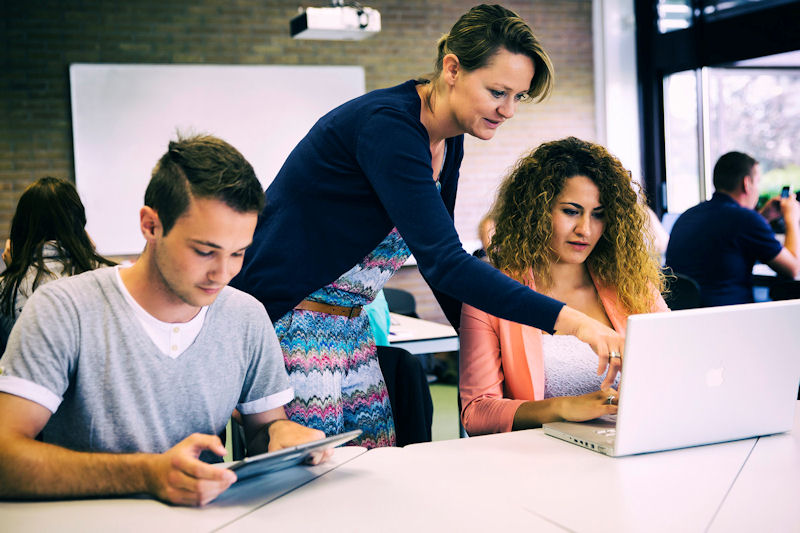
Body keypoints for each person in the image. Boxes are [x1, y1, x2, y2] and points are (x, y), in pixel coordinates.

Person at [231, 4, 625, 449]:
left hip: (351, 329)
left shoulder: (449, 142)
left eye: (519, 96)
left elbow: (439, 257)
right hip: (289, 325)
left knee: (370, 472)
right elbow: (446, 263)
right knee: (307, 483)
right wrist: (569, 322)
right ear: (452, 69)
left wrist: (487, 351)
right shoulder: (390, 127)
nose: (509, 109)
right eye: (498, 91)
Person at [0, 135, 326, 506]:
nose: (223, 273)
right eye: (205, 251)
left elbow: (264, 429)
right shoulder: (64, 309)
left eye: (238, 253)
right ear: (151, 226)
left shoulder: (246, 317)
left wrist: (282, 434)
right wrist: (148, 474)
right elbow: (6, 459)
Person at [459, 137, 669, 435]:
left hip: (631, 444)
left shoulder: (634, 288)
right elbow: (477, 413)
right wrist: (564, 408)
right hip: (539, 461)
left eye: (598, 215)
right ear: (536, 211)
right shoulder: (491, 295)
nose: (585, 229)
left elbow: (675, 369)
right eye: (571, 211)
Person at [666, 151, 800, 307]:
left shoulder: (688, 215)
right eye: (757, 182)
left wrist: (763, 217)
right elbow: (793, 268)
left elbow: (728, 239)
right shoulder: (746, 220)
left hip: (686, 319)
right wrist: (791, 218)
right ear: (747, 183)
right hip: (732, 320)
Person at [0, 177, 115, 349]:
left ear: (22, 226)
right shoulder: (110, 276)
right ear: (79, 224)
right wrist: (90, 255)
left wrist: (14, 271)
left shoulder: (7, 288)